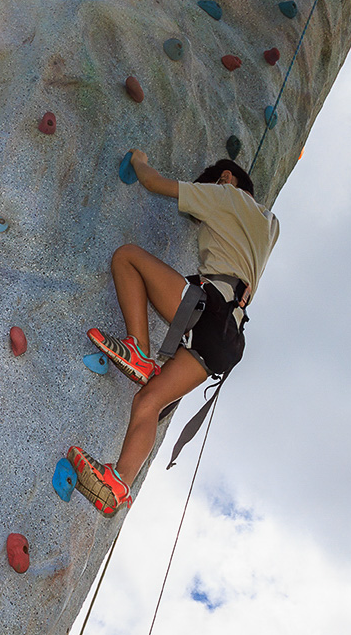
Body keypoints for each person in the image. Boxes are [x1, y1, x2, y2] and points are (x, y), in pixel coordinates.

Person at [68, 154, 278, 514]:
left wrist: (140, 159)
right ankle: (118, 483)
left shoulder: (225, 194)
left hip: (207, 306)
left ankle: (138, 348)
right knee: (148, 402)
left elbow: (152, 182)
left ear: (226, 178)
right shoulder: (272, 224)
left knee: (127, 257)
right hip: (228, 338)